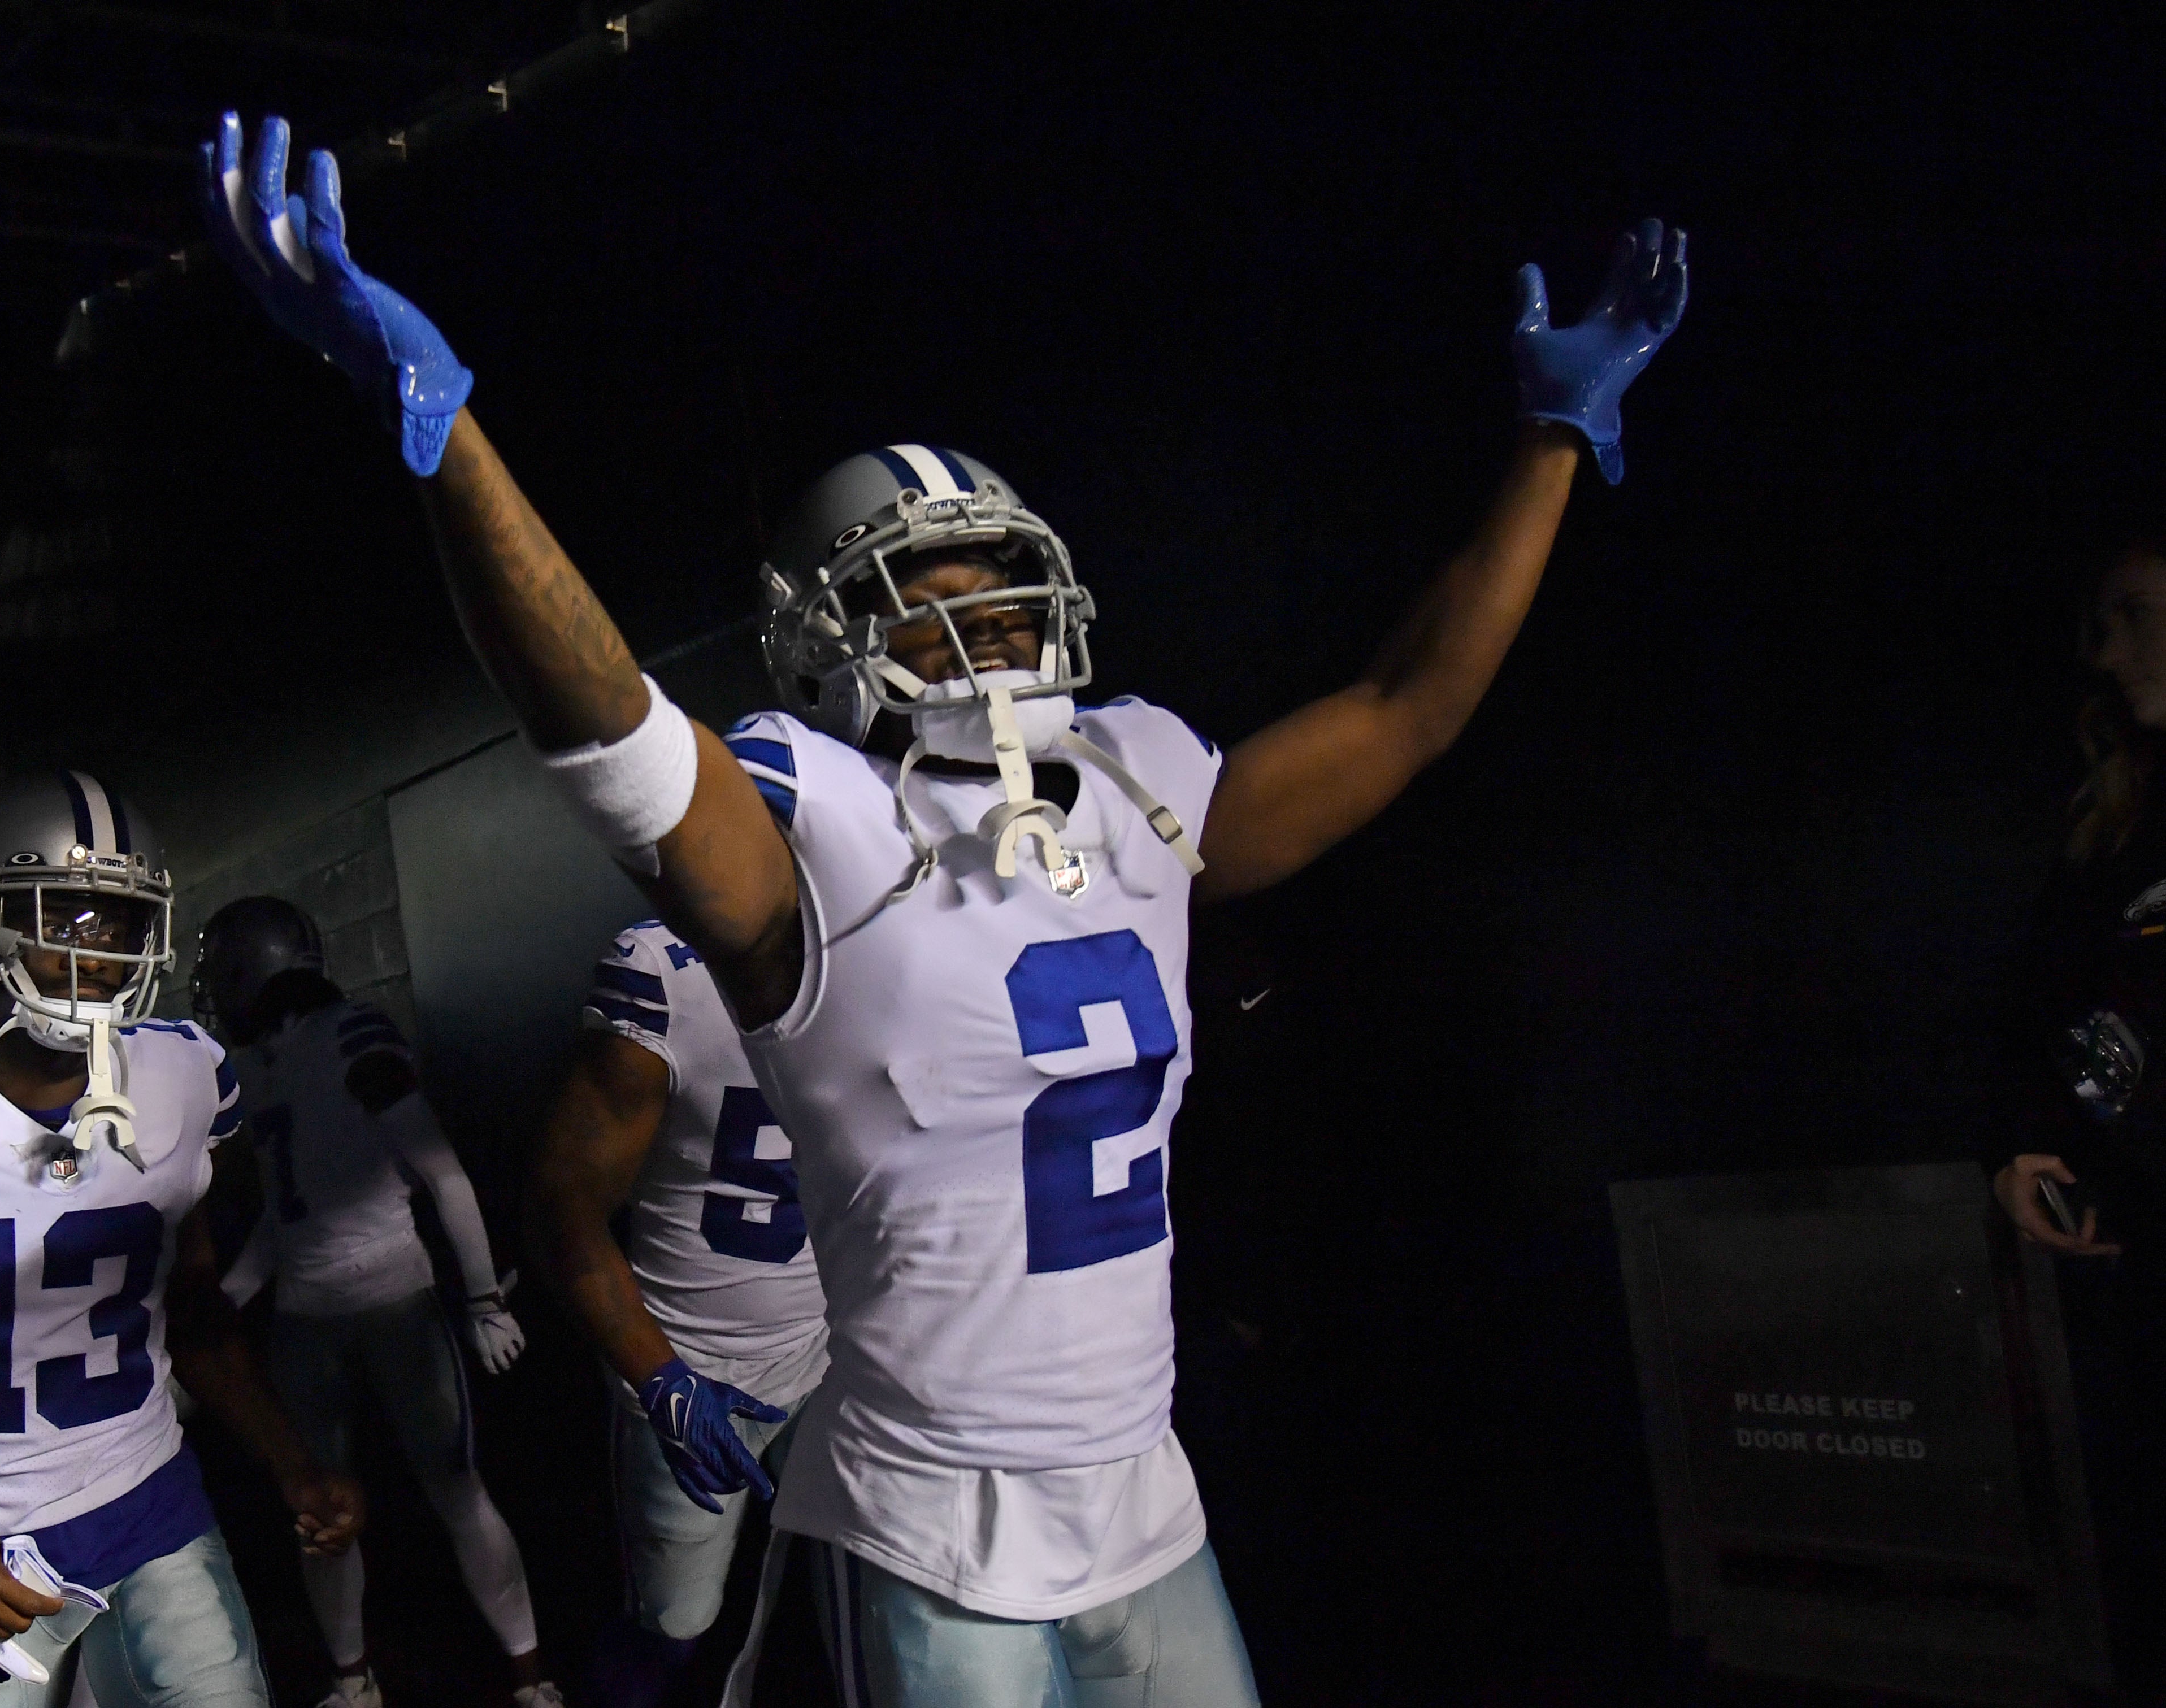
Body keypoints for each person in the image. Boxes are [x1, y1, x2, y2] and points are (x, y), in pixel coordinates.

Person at [204, 110, 1684, 1704]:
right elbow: (602, 720)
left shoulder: (1138, 783)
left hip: (1143, 1495)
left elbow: (1409, 707)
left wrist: (1544, 451)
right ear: (824, 643)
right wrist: (449, 433)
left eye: (1001, 585)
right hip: (931, 1525)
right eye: (934, 603)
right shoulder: (812, 822)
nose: (989, 633)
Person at [0, 772, 364, 1708]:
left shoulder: (181, 1074)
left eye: (122, 922)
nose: (101, 951)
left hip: (155, 1502)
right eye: (65, 916)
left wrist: (292, 1462)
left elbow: (194, 1315)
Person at [192, 896, 561, 1708]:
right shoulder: (259, 1067)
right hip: (305, 1316)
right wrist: (225, 1303)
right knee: (318, 1511)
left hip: (396, 1301)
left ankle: (530, 1675)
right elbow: (289, 1215)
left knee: (458, 1488)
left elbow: (444, 1174)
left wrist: (481, 1300)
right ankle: (352, 1680)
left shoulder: (353, 1037)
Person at [527, 919, 826, 1707]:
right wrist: (661, 1378)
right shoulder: (668, 972)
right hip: (696, 1364)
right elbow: (565, 1207)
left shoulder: (882, 931)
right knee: (675, 1623)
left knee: (855, 1587)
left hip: (838, 1350)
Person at [1993, 541, 2166, 1688]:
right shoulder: (2112, 820)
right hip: (2128, 1302)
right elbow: (2031, 1024)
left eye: (2133, 616)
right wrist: (2015, 1154)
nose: (2103, 651)